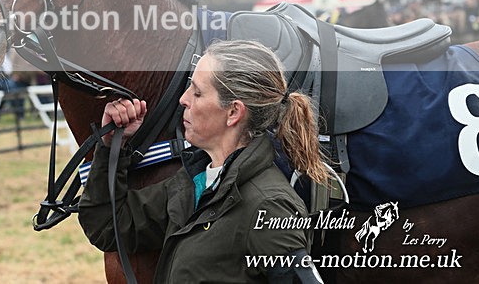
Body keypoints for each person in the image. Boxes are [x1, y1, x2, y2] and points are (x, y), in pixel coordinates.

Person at [78, 40, 328, 283]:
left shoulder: (270, 207)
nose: (183, 99)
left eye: (197, 92)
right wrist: (112, 146)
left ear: (233, 112)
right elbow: (108, 226)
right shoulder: (197, 181)